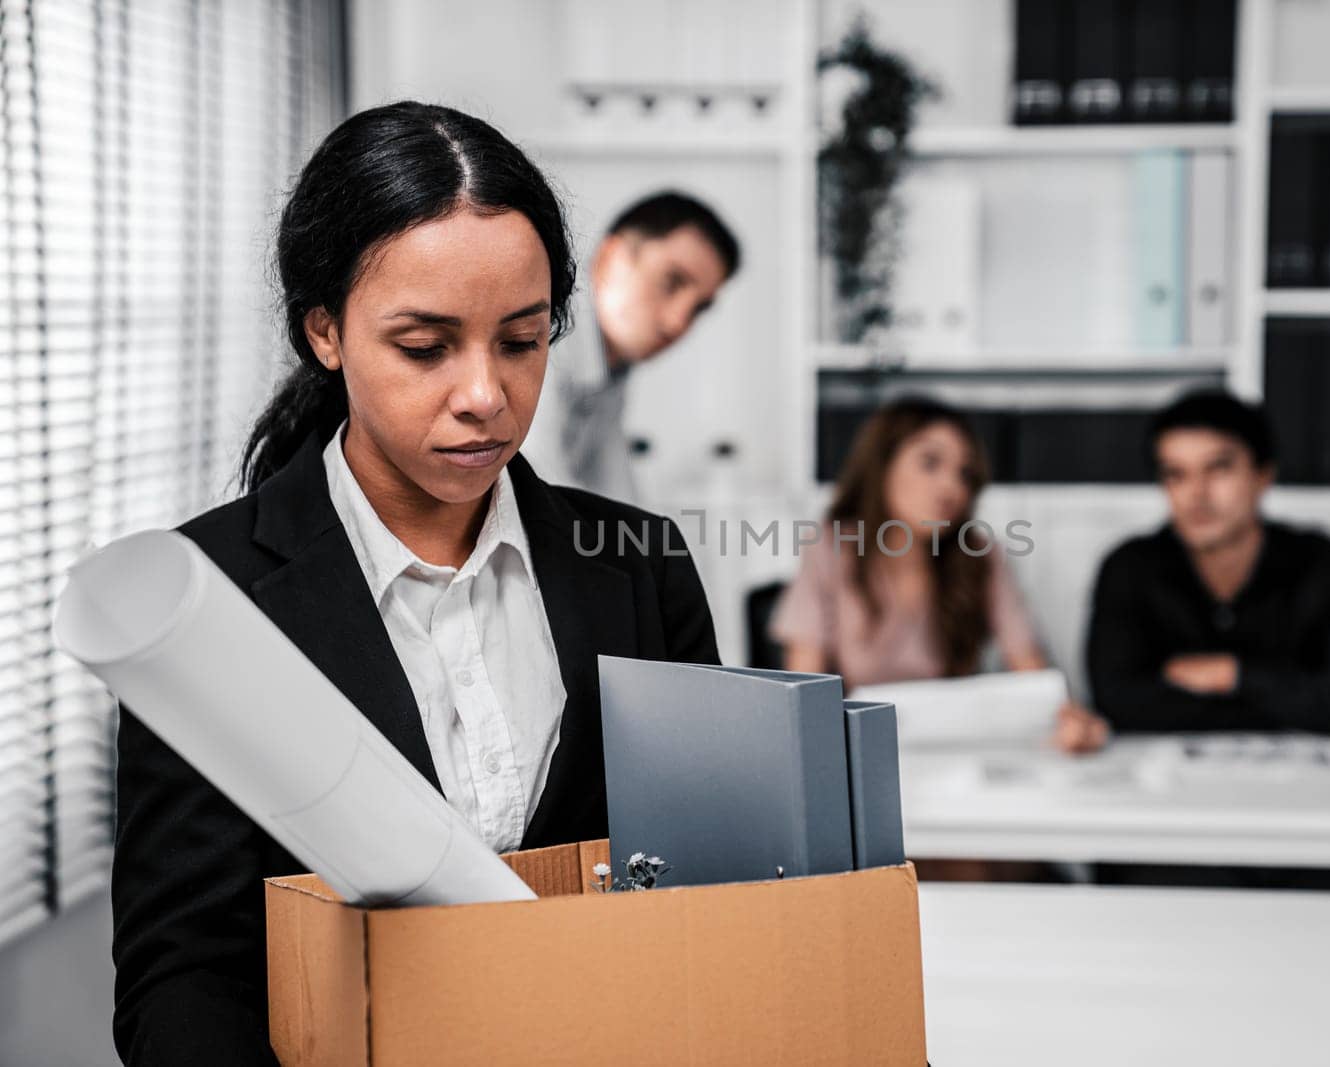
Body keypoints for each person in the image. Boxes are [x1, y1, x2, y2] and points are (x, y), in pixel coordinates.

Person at [110, 102, 718, 1065]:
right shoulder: (211, 602)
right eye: (426, 348)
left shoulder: (641, 568)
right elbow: (184, 979)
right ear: (325, 332)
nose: (485, 394)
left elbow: (701, 899)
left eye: (521, 340)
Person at [772, 397, 1106, 752]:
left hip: (950, 753)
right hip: (856, 749)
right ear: (882, 464)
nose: (951, 488)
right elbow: (804, 699)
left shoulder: (979, 555)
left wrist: (1069, 720)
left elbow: (1030, 671)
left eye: (965, 474)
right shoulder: (831, 549)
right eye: (930, 463)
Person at [1074, 389, 1330, 744]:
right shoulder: (1129, 569)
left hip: (1306, 790)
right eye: (1176, 475)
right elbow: (1119, 705)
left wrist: (1232, 675)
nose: (1196, 494)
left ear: (1263, 475)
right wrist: (1293, 701)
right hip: (1168, 788)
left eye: (1218, 469)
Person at [520, 190, 740, 503]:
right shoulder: (545, 336)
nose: (679, 322)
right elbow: (538, 501)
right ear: (610, 259)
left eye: (698, 308)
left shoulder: (610, 371)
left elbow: (617, 503)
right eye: (672, 282)